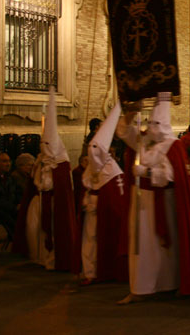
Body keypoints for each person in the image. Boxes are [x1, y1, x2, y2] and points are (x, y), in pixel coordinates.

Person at [116, 92, 190, 304]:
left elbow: (171, 175)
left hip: (166, 203)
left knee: (167, 248)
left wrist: (147, 173)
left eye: (155, 123)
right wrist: (132, 111)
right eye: (149, 123)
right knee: (142, 246)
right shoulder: (145, 141)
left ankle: (172, 284)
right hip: (142, 202)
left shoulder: (173, 145)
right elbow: (124, 132)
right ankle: (140, 288)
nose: (150, 127)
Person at [13, 87, 79, 273]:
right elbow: (33, 182)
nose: (45, 148)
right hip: (38, 200)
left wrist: (48, 178)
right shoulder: (40, 161)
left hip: (53, 203)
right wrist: (40, 172)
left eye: (48, 144)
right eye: (43, 144)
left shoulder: (62, 163)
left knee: (53, 230)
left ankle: (53, 259)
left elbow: (62, 187)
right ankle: (38, 257)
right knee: (33, 229)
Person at [79, 102, 128, 285]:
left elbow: (116, 198)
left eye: (95, 150)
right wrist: (86, 201)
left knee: (104, 240)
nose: (92, 154)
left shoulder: (113, 172)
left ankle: (106, 270)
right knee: (89, 240)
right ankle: (90, 271)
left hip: (105, 213)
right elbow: (87, 185)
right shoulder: (91, 166)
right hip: (91, 210)